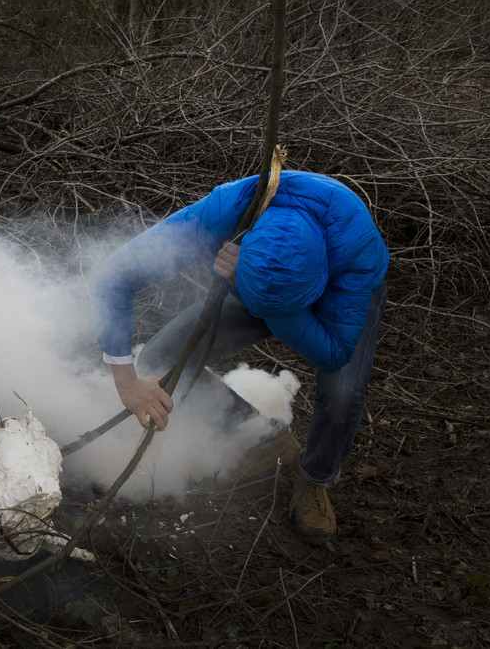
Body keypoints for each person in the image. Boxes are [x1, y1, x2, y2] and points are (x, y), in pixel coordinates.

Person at [91, 170, 388, 543]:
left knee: (344, 394)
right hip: (252, 274)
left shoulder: (355, 257)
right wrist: (126, 382)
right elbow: (113, 278)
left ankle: (315, 479)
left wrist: (278, 308)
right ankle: (266, 440)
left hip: (323, 288)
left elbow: (334, 353)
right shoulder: (228, 210)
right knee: (162, 359)